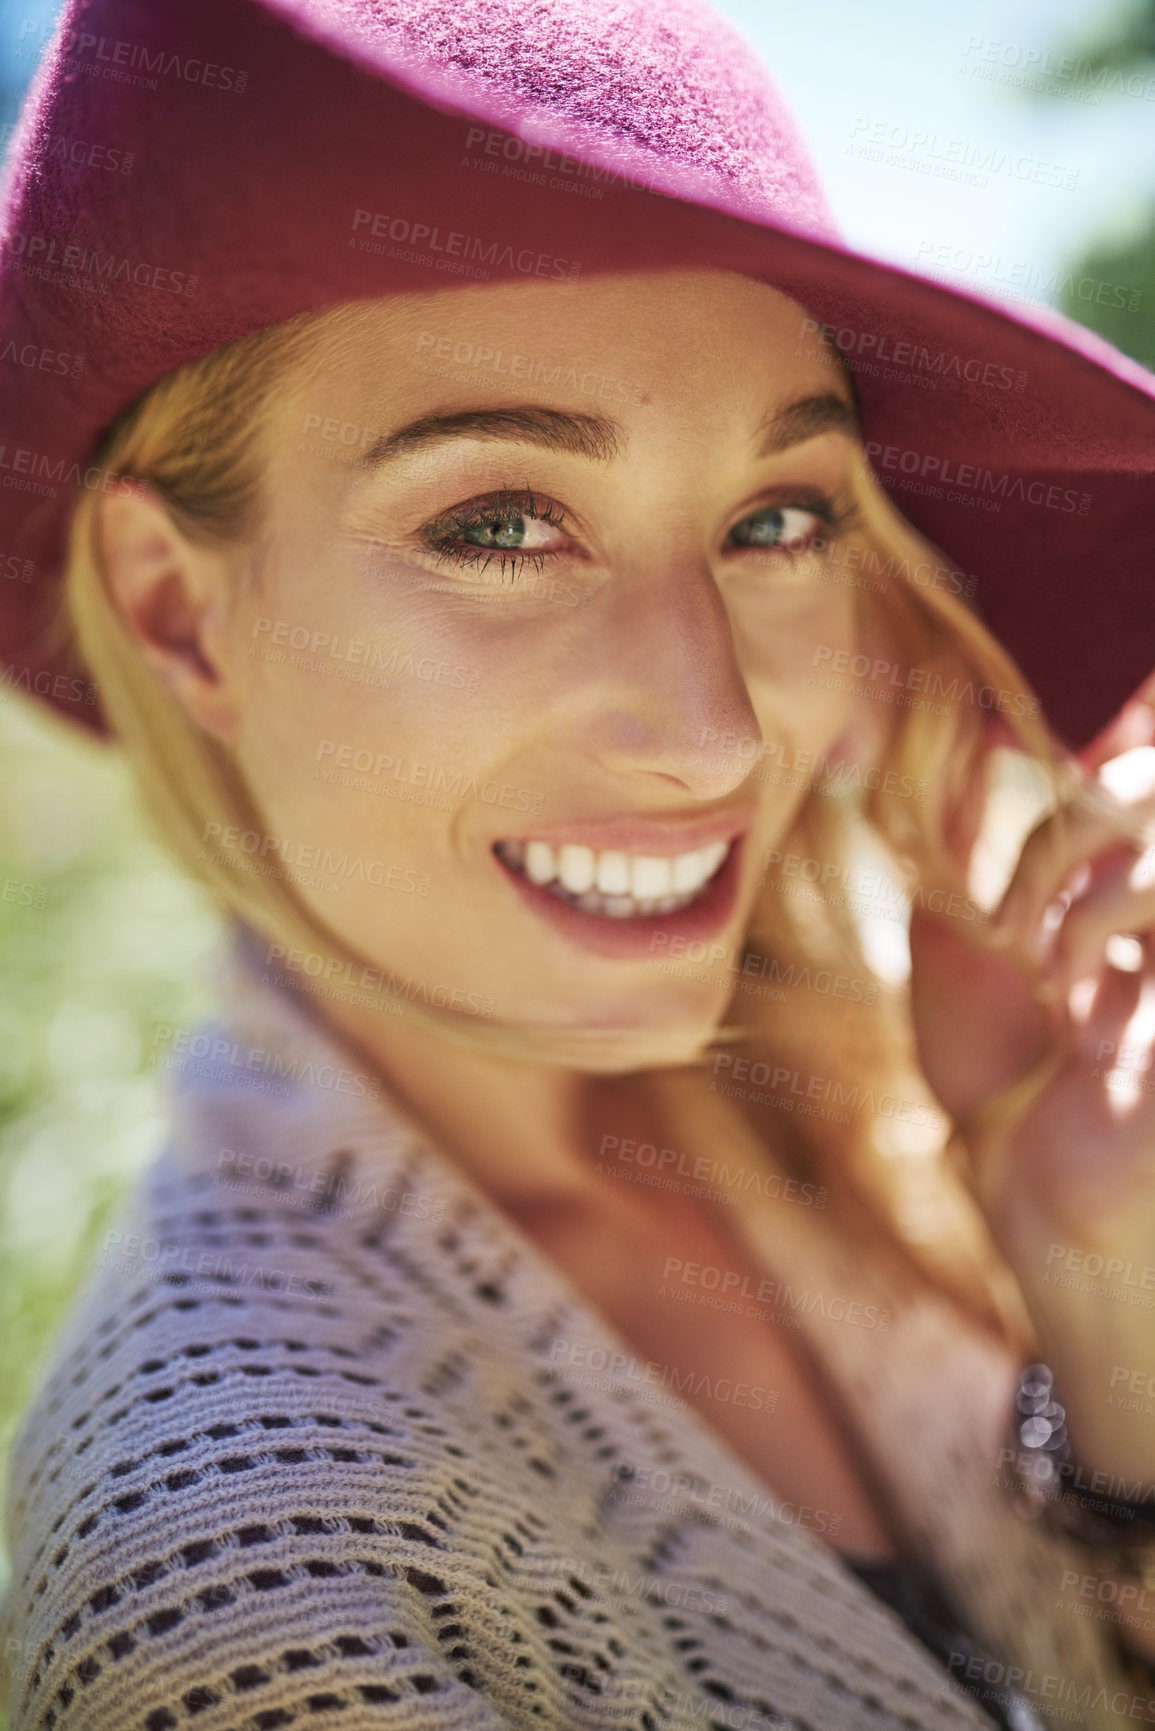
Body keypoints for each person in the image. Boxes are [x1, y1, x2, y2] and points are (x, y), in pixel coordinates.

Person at [1, 0, 1154, 1726]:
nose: (713, 732)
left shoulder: (857, 1101)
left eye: (778, 519)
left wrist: (1102, 1284)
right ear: (182, 610)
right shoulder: (244, 1590)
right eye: (501, 526)